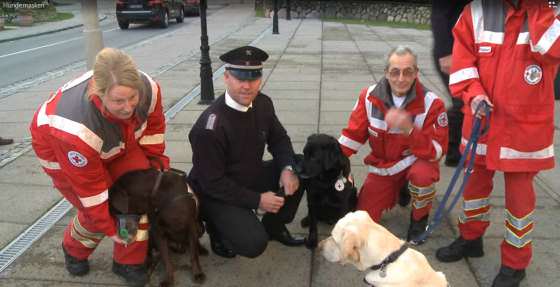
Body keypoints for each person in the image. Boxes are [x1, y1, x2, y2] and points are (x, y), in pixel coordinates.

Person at [435, 1, 557, 286]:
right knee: (474, 186)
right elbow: (463, 63)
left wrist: (539, 9)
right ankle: (470, 238)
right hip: (482, 119)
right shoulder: (476, 11)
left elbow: (553, 52)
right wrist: (474, 94)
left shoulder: (551, 12)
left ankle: (515, 264)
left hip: (524, 127)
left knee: (520, 199)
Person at [30, 47, 169, 287]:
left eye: (132, 98)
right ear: (99, 93)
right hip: (62, 151)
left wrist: (154, 162)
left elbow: (154, 127)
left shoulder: (149, 89)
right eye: (118, 101)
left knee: (137, 199)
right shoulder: (73, 129)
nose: (128, 108)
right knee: (101, 212)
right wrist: (109, 226)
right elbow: (91, 190)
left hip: (117, 140)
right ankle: (74, 248)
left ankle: (128, 261)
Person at [188, 46, 305, 259]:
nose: (247, 86)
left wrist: (287, 168)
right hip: (216, 192)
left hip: (248, 174)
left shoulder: (263, 103)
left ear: (260, 79)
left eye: (253, 78)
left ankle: (274, 226)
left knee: (301, 166)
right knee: (253, 244)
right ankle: (217, 228)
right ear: (226, 78)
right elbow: (212, 183)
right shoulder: (210, 127)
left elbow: (279, 139)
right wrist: (257, 200)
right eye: (239, 78)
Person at [338, 45, 449, 244]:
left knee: (422, 176)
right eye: (395, 72)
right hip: (384, 167)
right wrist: (331, 158)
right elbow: (352, 136)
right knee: (362, 221)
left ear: (416, 73)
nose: (401, 78)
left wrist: (410, 129)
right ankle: (400, 188)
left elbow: (437, 152)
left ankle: (419, 220)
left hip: (416, 162)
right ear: (386, 73)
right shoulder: (369, 97)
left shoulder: (433, 104)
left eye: (408, 72)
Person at [431, 0, 471, 167]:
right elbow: (439, 14)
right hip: (452, 51)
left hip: (472, 49)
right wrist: (445, 52)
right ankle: (450, 149)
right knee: (461, 102)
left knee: (469, 101)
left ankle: (455, 147)